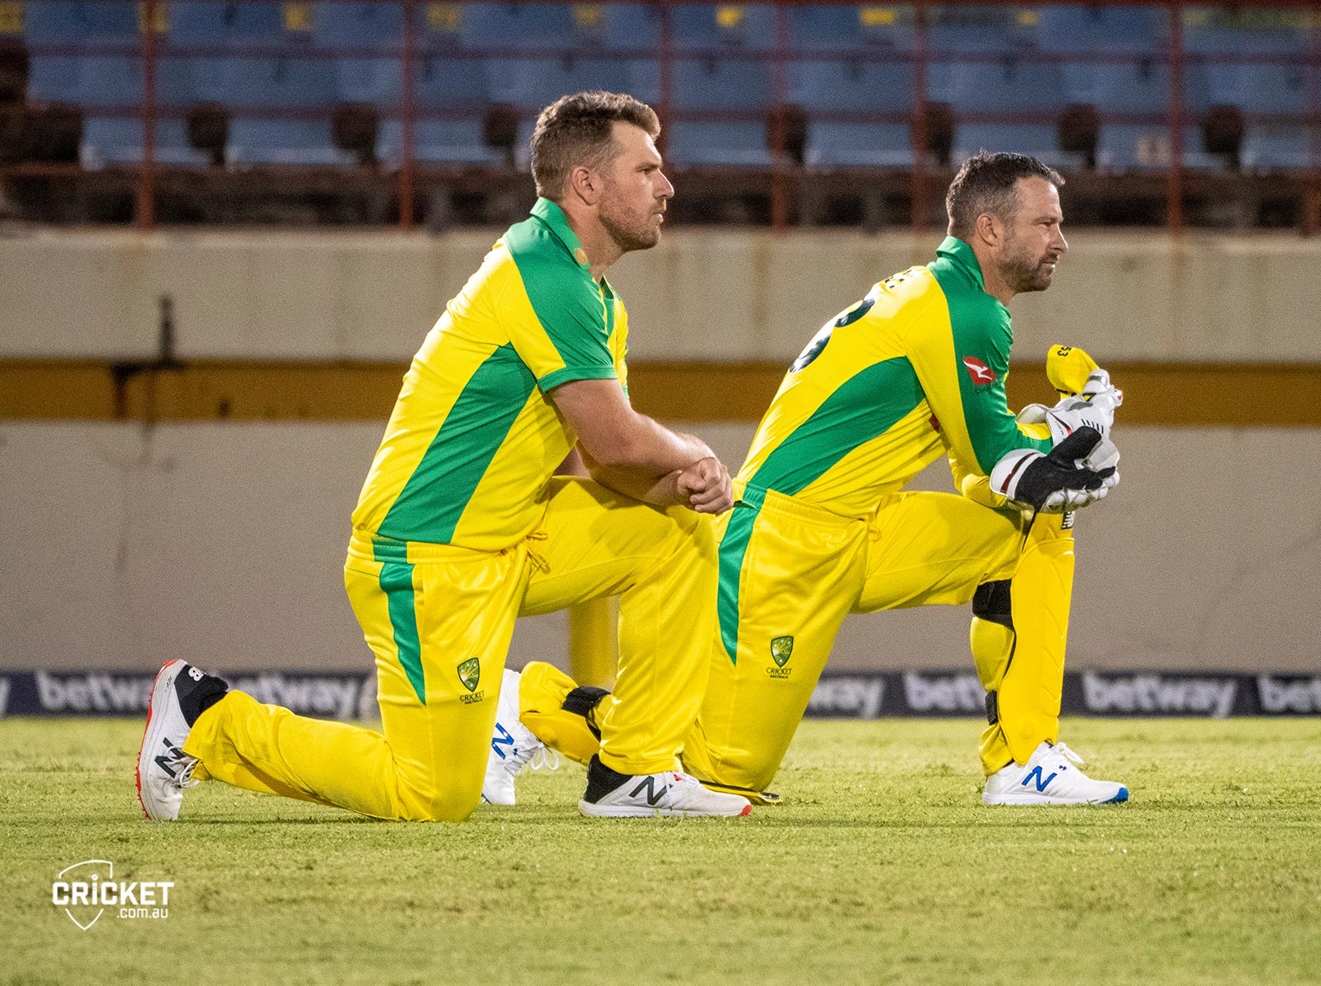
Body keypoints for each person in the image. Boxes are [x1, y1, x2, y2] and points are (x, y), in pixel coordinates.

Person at [136, 91, 752, 822]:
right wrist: (696, 453)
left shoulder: (592, 292)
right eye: (647, 168)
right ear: (587, 184)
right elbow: (619, 439)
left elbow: (608, 462)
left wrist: (676, 484)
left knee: (681, 530)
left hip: (511, 533)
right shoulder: (545, 274)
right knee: (432, 794)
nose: (667, 185)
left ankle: (630, 769)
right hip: (428, 556)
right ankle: (203, 718)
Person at [501, 152, 1129, 808]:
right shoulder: (961, 309)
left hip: (864, 524)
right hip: (785, 539)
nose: (1060, 240)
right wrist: (1070, 431)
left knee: (1032, 533)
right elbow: (997, 463)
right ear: (992, 230)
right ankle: (532, 704)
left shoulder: (952, 298)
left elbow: (981, 468)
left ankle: (1024, 761)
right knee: (722, 769)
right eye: (1046, 223)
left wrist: (1060, 435)